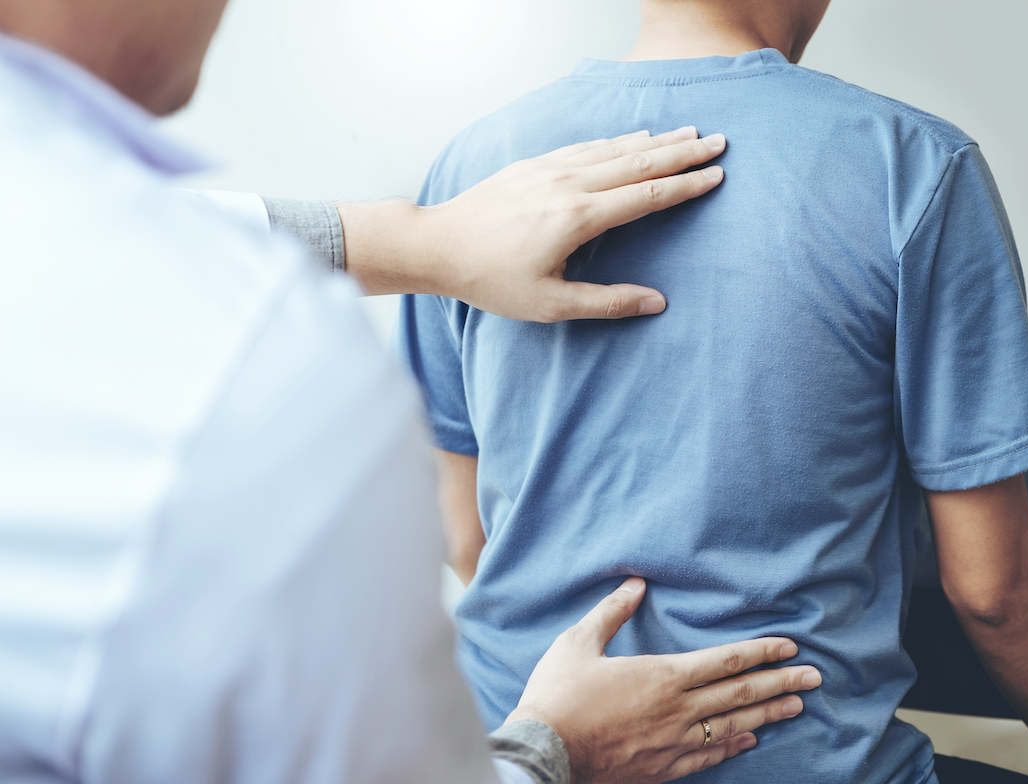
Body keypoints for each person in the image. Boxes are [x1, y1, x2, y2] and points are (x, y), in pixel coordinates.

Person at [0, 0, 828, 782]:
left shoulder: (476, 158)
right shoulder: (252, 363)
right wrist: (555, 751)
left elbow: (462, 532)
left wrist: (414, 237)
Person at [398, 0, 1028, 783]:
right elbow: (994, 588)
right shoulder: (912, 165)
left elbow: (463, 536)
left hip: (500, 745)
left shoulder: (472, 167)